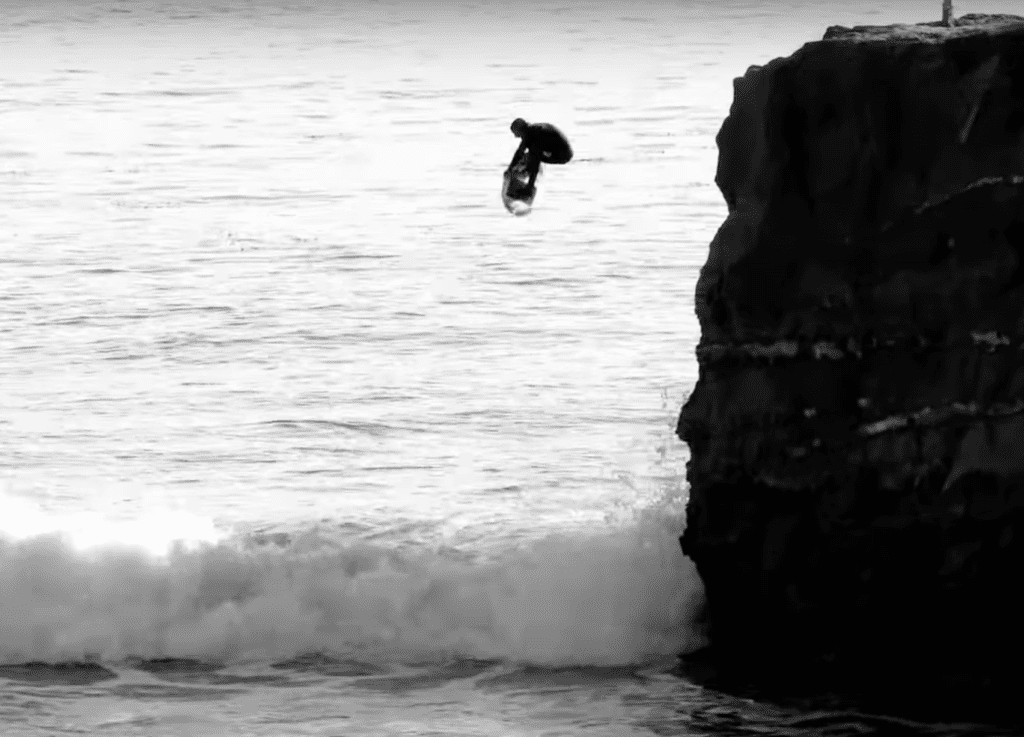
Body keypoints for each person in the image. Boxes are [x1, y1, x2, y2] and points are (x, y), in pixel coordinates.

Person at [507, 118, 573, 194]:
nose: (516, 137)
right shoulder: (531, 130)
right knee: (528, 155)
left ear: (521, 130)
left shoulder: (534, 135)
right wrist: (510, 168)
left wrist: (530, 185)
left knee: (532, 156)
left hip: (563, 156)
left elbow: (534, 159)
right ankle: (525, 173)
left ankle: (529, 188)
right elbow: (520, 151)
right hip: (561, 151)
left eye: (517, 134)